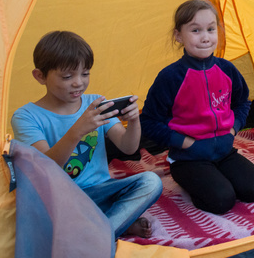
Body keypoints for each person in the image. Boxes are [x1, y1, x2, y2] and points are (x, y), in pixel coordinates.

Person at [11, 30, 162, 238]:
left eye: (85, 73)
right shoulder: (26, 116)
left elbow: (129, 147)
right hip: (61, 199)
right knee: (44, 219)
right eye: (67, 76)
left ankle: (99, 231)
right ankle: (113, 226)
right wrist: (78, 130)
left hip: (101, 192)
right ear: (40, 76)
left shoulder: (95, 103)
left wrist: (134, 120)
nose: (78, 83)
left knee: (151, 182)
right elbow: (45, 167)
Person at [141, 0, 254, 214]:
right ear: (178, 36)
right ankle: (197, 182)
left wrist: (233, 128)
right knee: (221, 201)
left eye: (211, 29)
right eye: (196, 30)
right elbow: (149, 121)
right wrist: (184, 142)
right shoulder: (170, 77)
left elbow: (242, 102)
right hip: (189, 158)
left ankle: (217, 177)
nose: (205, 37)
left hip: (225, 152)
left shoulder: (227, 70)